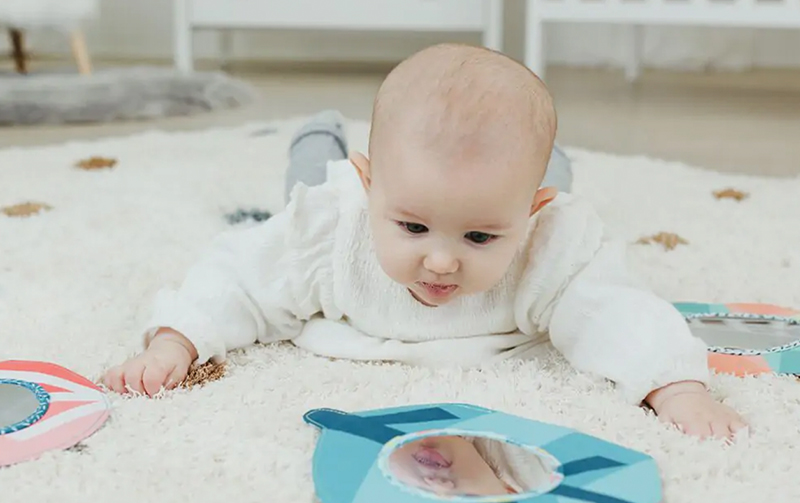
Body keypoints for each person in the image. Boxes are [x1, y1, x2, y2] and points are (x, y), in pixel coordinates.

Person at [103, 43, 746, 440]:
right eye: (412, 227)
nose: (441, 260)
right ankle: (318, 135)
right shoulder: (334, 225)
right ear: (370, 185)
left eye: (480, 235)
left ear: (531, 217)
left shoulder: (550, 242)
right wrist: (176, 339)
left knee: (543, 176)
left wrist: (674, 385)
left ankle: (549, 166)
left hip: (504, 191)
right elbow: (241, 274)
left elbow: (617, 309)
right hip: (346, 191)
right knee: (299, 188)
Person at [386, 435, 557, 497]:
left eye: (421, 494)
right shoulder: (536, 475)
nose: (439, 485)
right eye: (465, 499)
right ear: (509, 493)